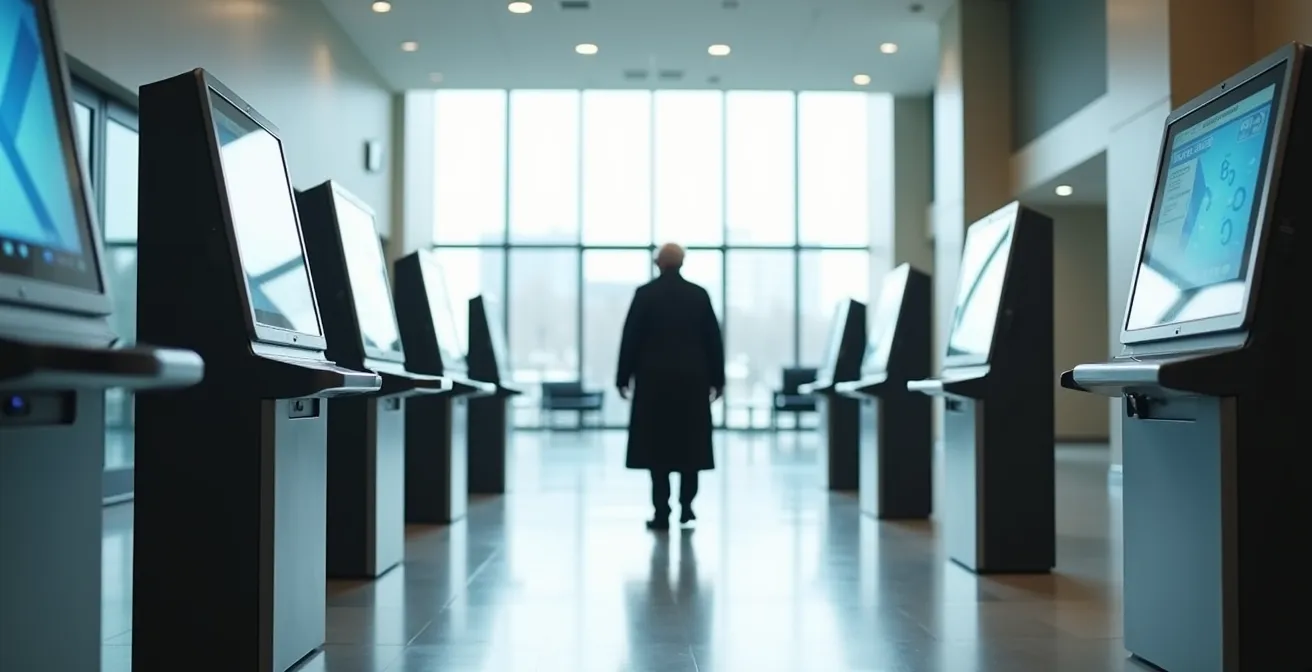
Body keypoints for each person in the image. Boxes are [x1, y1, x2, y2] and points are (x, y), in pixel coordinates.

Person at [616, 243, 725, 531]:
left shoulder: (645, 295)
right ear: (682, 263)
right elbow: (713, 341)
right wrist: (718, 380)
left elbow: (631, 338)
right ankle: (687, 507)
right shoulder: (698, 295)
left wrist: (622, 377)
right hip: (692, 384)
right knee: (690, 448)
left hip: (654, 385)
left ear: (658, 263)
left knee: (657, 451)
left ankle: (661, 511)